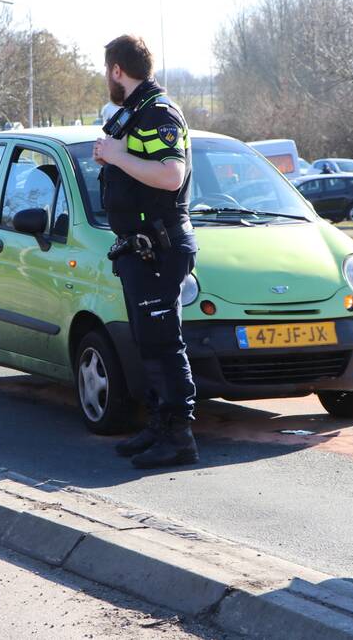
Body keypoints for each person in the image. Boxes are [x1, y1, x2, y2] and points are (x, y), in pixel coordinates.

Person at [93, 35, 199, 469]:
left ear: (118, 70)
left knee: (164, 342)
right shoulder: (135, 112)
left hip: (160, 245)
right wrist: (114, 156)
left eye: (107, 72)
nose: (106, 80)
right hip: (141, 248)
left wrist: (118, 156)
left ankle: (179, 437)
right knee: (149, 342)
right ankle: (158, 426)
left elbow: (172, 175)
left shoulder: (157, 112)